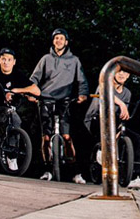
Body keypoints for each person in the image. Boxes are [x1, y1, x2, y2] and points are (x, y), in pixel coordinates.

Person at [30, 28, 89, 183]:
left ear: (66, 42)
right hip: (46, 98)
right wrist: (31, 92)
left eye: (61, 38)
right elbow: (35, 78)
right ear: (53, 41)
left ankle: (75, 172)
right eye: (56, 38)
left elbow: (81, 80)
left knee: (67, 137)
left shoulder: (74, 60)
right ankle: (47, 169)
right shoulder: (45, 59)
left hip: (65, 100)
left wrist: (83, 94)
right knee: (46, 137)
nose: (58, 41)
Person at [84, 68, 140, 190]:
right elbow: (105, 94)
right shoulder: (104, 84)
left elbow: (122, 115)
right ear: (113, 73)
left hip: (114, 123)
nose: (122, 75)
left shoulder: (127, 93)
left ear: (128, 76)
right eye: (119, 72)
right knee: (109, 124)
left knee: (137, 139)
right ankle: (101, 149)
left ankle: (134, 177)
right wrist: (121, 104)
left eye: (125, 73)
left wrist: (120, 130)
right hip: (96, 120)